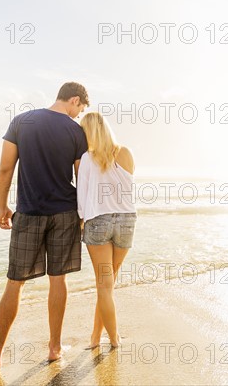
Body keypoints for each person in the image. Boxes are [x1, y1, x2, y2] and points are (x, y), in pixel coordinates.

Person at [0, 82, 89, 370]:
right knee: (59, 280)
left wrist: (2, 205)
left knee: (14, 282)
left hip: (28, 212)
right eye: (79, 110)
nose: (78, 116)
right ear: (74, 100)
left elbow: (5, 167)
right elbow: (82, 178)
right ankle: (54, 348)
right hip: (65, 213)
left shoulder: (22, 121)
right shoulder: (76, 131)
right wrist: (82, 215)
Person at [77, 112, 137, 349]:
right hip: (126, 221)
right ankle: (95, 338)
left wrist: (81, 222)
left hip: (99, 221)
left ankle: (113, 339)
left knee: (104, 286)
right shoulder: (125, 152)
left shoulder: (86, 158)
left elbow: (81, 198)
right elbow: (128, 186)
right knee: (108, 286)